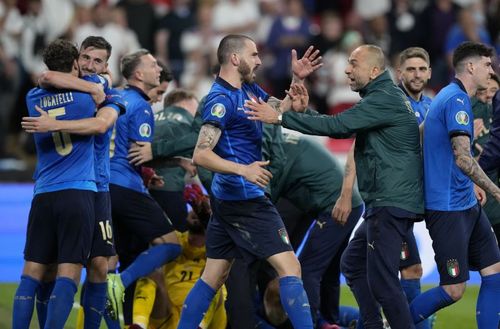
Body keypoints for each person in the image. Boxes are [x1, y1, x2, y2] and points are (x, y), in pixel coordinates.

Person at [246, 44, 424, 329]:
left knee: (383, 281)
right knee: (352, 264)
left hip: (390, 201)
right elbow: (341, 123)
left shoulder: (383, 99)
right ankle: (371, 325)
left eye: (354, 63)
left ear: (374, 71)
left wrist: (280, 116)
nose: (346, 69)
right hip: (383, 202)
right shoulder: (380, 98)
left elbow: (340, 126)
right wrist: (305, 113)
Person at [176, 34, 321, 329]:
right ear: (234, 58)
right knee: (290, 268)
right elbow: (200, 155)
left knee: (213, 276)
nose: (259, 60)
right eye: (253, 55)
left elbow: (277, 110)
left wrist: (297, 83)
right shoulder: (219, 100)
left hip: (227, 200)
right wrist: (243, 170)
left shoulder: (248, 88)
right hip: (245, 200)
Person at [21, 36, 127, 329]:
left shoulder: (105, 89)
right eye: (86, 58)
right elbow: (46, 74)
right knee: (57, 267)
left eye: (98, 61)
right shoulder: (78, 87)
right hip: (76, 187)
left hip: (99, 187)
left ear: (106, 66)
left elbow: (101, 124)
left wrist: (95, 86)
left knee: (99, 266)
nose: (90, 65)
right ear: (76, 59)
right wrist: (90, 86)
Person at [409, 42, 500, 328]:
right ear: (471, 67)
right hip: (447, 209)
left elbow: (424, 136)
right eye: (487, 64)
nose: (492, 70)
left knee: (494, 271)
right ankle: (394, 323)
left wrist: (468, 183)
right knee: (454, 290)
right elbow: (463, 158)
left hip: (466, 203)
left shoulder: (449, 97)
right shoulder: (456, 100)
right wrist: (496, 189)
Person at [106, 49, 182, 322]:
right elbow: (141, 152)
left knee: (116, 259)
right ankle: (121, 282)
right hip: (126, 185)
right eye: (152, 65)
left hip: (103, 188)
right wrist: (179, 161)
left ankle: (119, 313)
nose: (158, 69)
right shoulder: (141, 106)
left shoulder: (114, 97)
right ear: (138, 74)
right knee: (171, 244)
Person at [131, 185, 226, 329]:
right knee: (151, 271)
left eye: (201, 209)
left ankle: (199, 326)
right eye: (193, 208)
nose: (195, 211)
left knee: (212, 278)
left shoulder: (217, 247)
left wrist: (208, 218)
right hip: (168, 314)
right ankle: (138, 325)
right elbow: (152, 222)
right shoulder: (174, 240)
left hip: (206, 318)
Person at [473, 74, 500, 246]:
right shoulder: (468, 115)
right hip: (484, 206)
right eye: (483, 91)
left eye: (494, 90)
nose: (489, 95)